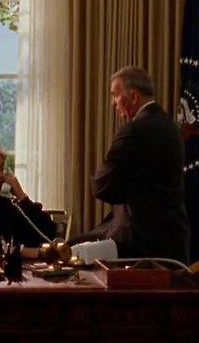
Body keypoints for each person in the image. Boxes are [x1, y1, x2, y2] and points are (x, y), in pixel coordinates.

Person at [74, 66, 190, 262]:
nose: (113, 103)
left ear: (134, 96)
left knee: (71, 253)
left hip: (139, 240)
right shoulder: (171, 126)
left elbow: (101, 187)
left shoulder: (134, 130)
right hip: (174, 241)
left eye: (115, 95)